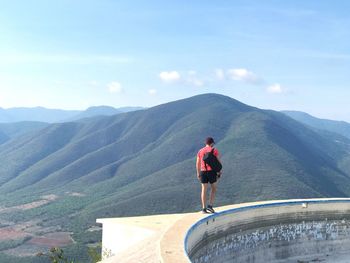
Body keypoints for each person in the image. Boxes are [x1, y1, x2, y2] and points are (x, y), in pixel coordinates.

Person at [196, 137, 222, 214]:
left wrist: (198, 173)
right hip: (211, 172)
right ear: (212, 143)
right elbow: (218, 162)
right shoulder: (214, 150)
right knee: (214, 188)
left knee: (204, 189)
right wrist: (219, 172)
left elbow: (197, 163)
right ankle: (210, 206)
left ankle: (203, 208)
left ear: (206, 143)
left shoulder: (200, 151)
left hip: (203, 172)